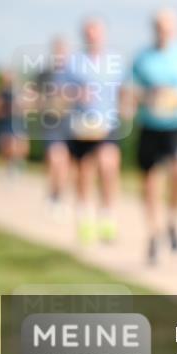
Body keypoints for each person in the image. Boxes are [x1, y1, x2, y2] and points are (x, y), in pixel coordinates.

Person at [131, 8, 177, 265]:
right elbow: (131, 89)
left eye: (169, 27)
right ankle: (153, 233)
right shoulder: (143, 57)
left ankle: (172, 220)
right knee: (150, 180)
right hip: (151, 123)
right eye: (160, 27)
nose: (165, 31)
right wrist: (148, 96)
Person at [67, 17, 127, 244]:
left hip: (108, 123)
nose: (93, 36)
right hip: (82, 124)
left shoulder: (115, 61)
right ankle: (84, 219)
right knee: (84, 172)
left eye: (97, 32)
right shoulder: (74, 62)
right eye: (89, 32)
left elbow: (124, 89)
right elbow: (61, 92)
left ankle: (107, 217)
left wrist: (126, 107)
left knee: (108, 166)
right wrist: (75, 94)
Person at [35, 36, 74, 217]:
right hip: (51, 121)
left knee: (64, 161)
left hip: (70, 122)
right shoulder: (44, 74)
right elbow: (33, 97)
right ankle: (52, 193)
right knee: (54, 157)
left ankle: (59, 195)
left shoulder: (74, 74)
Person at [0, 69, 29, 178]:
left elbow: (24, 106)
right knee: (5, 146)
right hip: (5, 123)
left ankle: (16, 164)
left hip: (17, 122)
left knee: (19, 145)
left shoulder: (19, 92)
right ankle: (9, 167)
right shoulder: (0, 92)